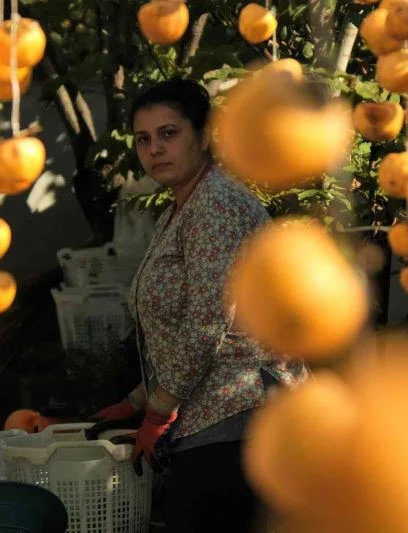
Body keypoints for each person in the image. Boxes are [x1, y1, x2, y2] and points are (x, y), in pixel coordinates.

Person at [89, 77, 307, 532]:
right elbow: (180, 324)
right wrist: (137, 399)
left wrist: (158, 410)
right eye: (143, 139)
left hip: (241, 414)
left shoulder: (216, 204)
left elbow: (209, 319)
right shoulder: (180, 209)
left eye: (169, 133)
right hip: (211, 418)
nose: (155, 149)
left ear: (204, 136)